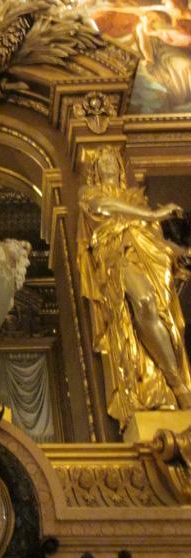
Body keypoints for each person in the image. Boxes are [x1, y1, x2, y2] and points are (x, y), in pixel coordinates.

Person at [77, 145, 191, 430]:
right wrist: (153, 215)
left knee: (162, 314)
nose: (107, 164)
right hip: (115, 256)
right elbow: (101, 206)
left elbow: (156, 241)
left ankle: (171, 384)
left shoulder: (137, 199)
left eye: (112, 160)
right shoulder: (88, 193)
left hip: (148, 257)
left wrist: (178, 254)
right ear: (94, 170)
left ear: (120, 167)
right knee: (143, 302)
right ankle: (177, 384)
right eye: (102, 161)